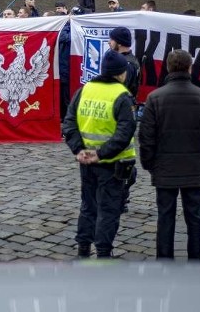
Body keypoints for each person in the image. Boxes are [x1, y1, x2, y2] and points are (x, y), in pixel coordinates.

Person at [139, 49, 200, 260]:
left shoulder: (155, 98)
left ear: (168, 68)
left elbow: (146, 137)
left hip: (165, 168)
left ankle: (165, 259)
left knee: (165, 216)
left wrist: (149, 164)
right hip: (195, 166)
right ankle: (195, 259)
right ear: (190, 68)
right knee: (195, 217)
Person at [62, 50, 136, 258]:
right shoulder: (122, 96)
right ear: (121, 74)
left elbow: (69, 123)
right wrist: (101, 153)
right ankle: (103, 252)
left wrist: (78, 150)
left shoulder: (84, 90)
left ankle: (83, 247)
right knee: (109, 209)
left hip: (86, 161)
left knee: (88, 205)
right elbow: (125, 132)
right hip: (112, 163)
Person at [108, 26, 141, 212]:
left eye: (111, 39)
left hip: (121, 114)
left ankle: (121, 196)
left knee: (121, 157)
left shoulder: (125, 64)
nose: (108, 42)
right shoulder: (130, 60)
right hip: (125, 111)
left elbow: (119, 90)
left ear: (118, 43)